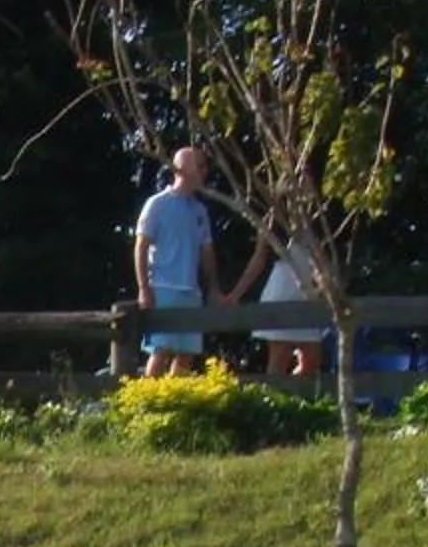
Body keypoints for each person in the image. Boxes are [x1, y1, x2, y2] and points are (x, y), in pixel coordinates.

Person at [132, 146, 223, 378]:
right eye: (199, 165)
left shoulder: (200, 210)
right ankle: (147, 404)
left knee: (186, 355)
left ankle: (175, 406)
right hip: (162, 288)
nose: (204, 171)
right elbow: (141, 247)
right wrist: (143, 288)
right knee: (160, 351)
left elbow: (207, 252)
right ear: (183, 168)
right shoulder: (157, 204)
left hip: (191, 292)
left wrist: (212, 288)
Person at [231, 234, 323, 382]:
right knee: (280, 357)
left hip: (307, 295)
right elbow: (259, 258)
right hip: (281, 291)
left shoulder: (316, 222)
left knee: (312, 360)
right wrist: (235, 295)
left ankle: (294, 399)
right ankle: (273, 401)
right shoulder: (274, 222)